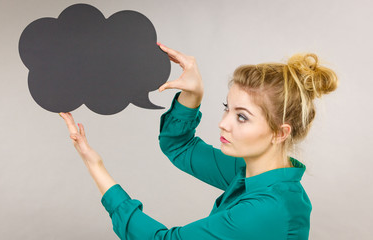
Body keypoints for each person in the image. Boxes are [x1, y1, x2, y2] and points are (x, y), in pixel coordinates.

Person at [59, 42, 338, 239]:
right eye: (227, 108)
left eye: (242, 117)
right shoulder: (250, 172)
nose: (223, 123)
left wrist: (95, 166)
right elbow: (178, 146)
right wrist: (193, 94)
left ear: (280, 132)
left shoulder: (266, 209)